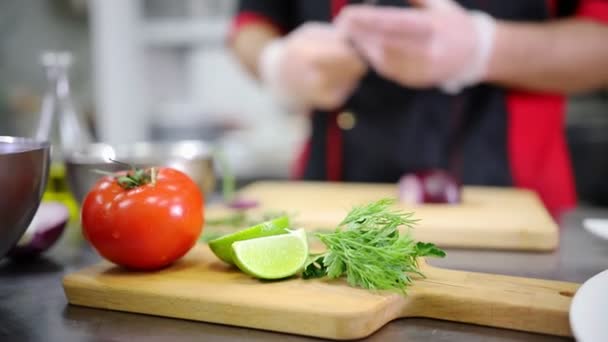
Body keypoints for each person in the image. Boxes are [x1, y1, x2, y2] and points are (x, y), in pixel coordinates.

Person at [229, 0, 608, 217]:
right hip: (325, 206)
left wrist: (486, 49)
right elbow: (250, 24)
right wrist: (275, 62)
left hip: (517, 211)